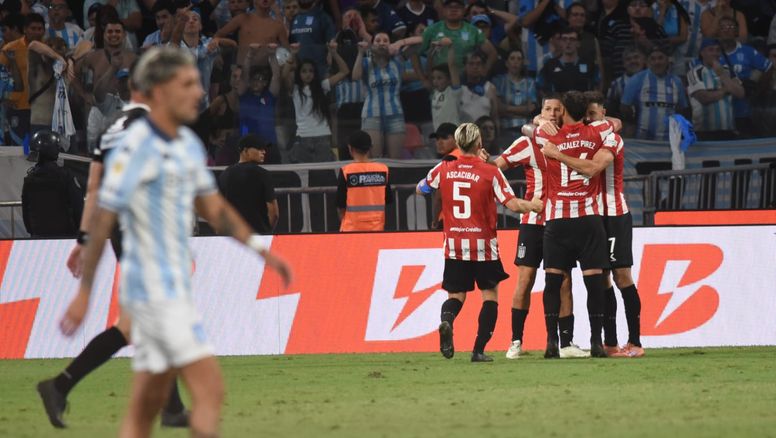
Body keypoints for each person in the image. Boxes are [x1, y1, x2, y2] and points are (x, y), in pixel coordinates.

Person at [58, 47, 292, 438]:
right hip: (147, 256)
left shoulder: (166, 139)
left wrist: (261, 250)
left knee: (144, 346)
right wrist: (85, 285)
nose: (198, 92)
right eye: (188, 84)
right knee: (191, 377)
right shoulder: (141, 138)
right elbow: (107, 200)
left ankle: (76, 387)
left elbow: (211, 206)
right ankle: (83, 389)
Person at [38, 71, 190, 431]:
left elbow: (94, 188)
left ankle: (170, 408)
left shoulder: (109, 131)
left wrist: (83, 239)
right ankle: (59, 385)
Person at [417, 123, 542, 362]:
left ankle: (447, 321)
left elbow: (421, 188)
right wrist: (534, 206)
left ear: (456, 143)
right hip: (483, 245)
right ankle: (478, 350)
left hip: (454, 245)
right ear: (479, 143)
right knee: (490, 296)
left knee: (456, 295)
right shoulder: (489, 171)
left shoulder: (443, 168)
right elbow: (513, 204)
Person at [543, 91, 644, 358]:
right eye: (585, 114)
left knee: (622, 277)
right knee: (602, 280)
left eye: (593, 114)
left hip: (614, 214)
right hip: (592, 214)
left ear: (603, 115)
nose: (588, 119)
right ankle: (609, 342)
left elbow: (595, 166)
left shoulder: (607, 134)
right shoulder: (590, 133)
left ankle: (635, 341)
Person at [485, 95, 582, 359]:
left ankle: (566, 344)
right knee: (525, 280)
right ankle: (516, 342)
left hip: (561, 219)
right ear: (540, 112)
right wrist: (517, 201)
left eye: (557, 110)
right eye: (547, 109)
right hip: (532, 222)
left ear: (564, 113)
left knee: (564, 282)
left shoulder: (571, 141)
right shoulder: (526, 143)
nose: (552, 113)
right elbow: (494, 170)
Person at [534, 90, 617, 358]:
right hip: (588, 219)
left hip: (558, 220)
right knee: (594, 283)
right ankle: (596, 341)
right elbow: (614, 123)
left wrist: (540, 123)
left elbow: (532, 128)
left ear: (564, 110)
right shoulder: (599, 132)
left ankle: (551, 342)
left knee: (553, 283)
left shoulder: (547, 136)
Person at [283, 41, 350, 162]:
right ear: (299, 73)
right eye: (304, 71)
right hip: (302, 136)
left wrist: (334, 53)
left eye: (311, 71)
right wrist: (292, 54)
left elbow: (344, 71)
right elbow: (284, 74)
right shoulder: (295, 89)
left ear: (315, 73)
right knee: (304, 174)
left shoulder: (322, 86)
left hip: (322, 135)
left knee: (324, 173)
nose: (308, 74)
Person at [352, 33, 410, 158]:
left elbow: (421, 41)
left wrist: (400, 43)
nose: (382, 43)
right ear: (372, 45)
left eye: (386, 40)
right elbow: (355, 76)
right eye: (378, 40)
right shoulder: (366, 62)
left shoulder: (398, 61)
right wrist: (360, 53)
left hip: (395, 115)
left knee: (395, 160)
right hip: (371, 115)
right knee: (375, 159)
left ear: (390, 44)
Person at [171, 10, 237, 112]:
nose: (191, 21)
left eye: (195, 19)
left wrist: (218, 40)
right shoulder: (176, 48)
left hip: (203, 105)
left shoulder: (208, 43)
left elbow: (233, 45)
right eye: (186, 20)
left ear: (200, 26)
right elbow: (174, 41)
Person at [716, 16, 773, 135]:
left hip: (744, 111)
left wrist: (759, 91)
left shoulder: (748, 51)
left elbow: (768, 67)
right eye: (723, 27)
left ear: (736, 31)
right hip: (719, 112)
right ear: (718, 31)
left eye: (731, 27)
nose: (726, 30)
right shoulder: (711, 52)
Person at [21, 131, 83, 237]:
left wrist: (34, 233)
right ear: (55, 151)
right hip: (65, 237)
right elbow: (78, 207)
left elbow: (26, 215)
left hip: (39, 238)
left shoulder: (29, 180)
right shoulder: (66, 177)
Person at [621, 46, 688, 140]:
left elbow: (682, 109)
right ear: (648, 62)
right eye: (653, 59)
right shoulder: (637, 80)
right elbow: (625, 107)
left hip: (669, 140)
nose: (657, 62)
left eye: (660, 58)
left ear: (667, 60)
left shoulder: (677, 82)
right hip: (643, 140)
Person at [0, 13, 46, 147]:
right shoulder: (10, 49)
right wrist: (6, 98)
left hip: (42, 109)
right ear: (25, 29)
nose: (37, 32)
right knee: (19, 148)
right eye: (33, 28)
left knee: (40, 148)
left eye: (40, 29)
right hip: (19, 106)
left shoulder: (49, 49)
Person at [218, 134, 279, 234]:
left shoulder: (225, 174)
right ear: (245, 151)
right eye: (259, 148)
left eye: (263, 148)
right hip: (258, 236)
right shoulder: (263, 174)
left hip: (233, 237)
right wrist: (267, 233)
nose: (264, 151)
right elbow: (274, 213)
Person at [686, 38, 744, 140]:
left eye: (717, 50)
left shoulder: (728, 71)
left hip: (728, 131)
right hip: (703, 133)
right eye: (711, 50)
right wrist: (726, 89)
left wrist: (722, 75)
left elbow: (740, 93)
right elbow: (704, 98)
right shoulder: (694, 72)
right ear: (702, 53)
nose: (715, 53)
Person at [419, 0, 498, 73]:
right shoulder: (432, 30)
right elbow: (415, 53)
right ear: (443, 10)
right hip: (440, 81)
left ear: (464, 10)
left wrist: (484, 72)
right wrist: (423, 79)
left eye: (457, 7)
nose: (454, 10)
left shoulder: (473, 31)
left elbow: (492, 53)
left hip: (466, 80)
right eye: (450, 7)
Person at [336, 130, 391, 232]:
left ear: (350, 148)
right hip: (376, 229)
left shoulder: (346, 171)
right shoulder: (383, 170)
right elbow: (387, 200)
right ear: (370, 148)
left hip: (351, 229)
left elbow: (340, 204)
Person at [214, 0, 289, 69]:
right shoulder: (242, 19)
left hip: (265, 72)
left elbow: (287, 52)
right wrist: (217, 54)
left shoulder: (278, 26)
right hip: (242, 69)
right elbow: (217, 36)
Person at [493, 47, 536, 145]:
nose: (515, 62)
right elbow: (499, 108)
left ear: (522, 63)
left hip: (525, 130)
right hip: (505, 129)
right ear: (507, 63)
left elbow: (531, 109)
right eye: (512, 58)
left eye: (519, 59)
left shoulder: (530, 83)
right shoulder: (499, 81)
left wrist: (507, 109)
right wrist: (522, 110)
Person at [538, 27, 599, 94]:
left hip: (583, 103)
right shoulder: (549, 65)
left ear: (578, 43)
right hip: (557, 103)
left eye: (572, 39)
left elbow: (597, 87)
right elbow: (540, 88)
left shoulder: (589, 65)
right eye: (564, 39)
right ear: (560, 43)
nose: (568, 42)